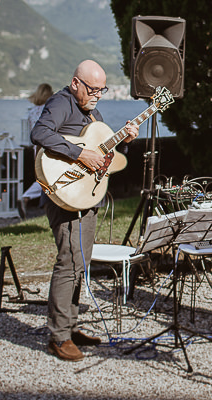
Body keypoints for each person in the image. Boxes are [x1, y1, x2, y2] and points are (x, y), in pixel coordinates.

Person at [31, 60, 139, 361]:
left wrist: (125, 142)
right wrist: (80, 153)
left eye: (102, 90)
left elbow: (105, 157)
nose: (97, 95)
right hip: (63, 195)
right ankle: (58, 336)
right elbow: (40, 133)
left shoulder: (92, 111)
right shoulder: (61, 103)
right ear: (75, 82)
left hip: (86, 197)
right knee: (68, 262)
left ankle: (71, 326)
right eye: (93, 89)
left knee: (81, 262)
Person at [19, 83, 53, 218]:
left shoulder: (31, 112)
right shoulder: (49, 109)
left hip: (36, 148)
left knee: (42, 177)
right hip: (48, 147)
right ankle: (28, 197)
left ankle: (39, 203)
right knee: (49, 178)